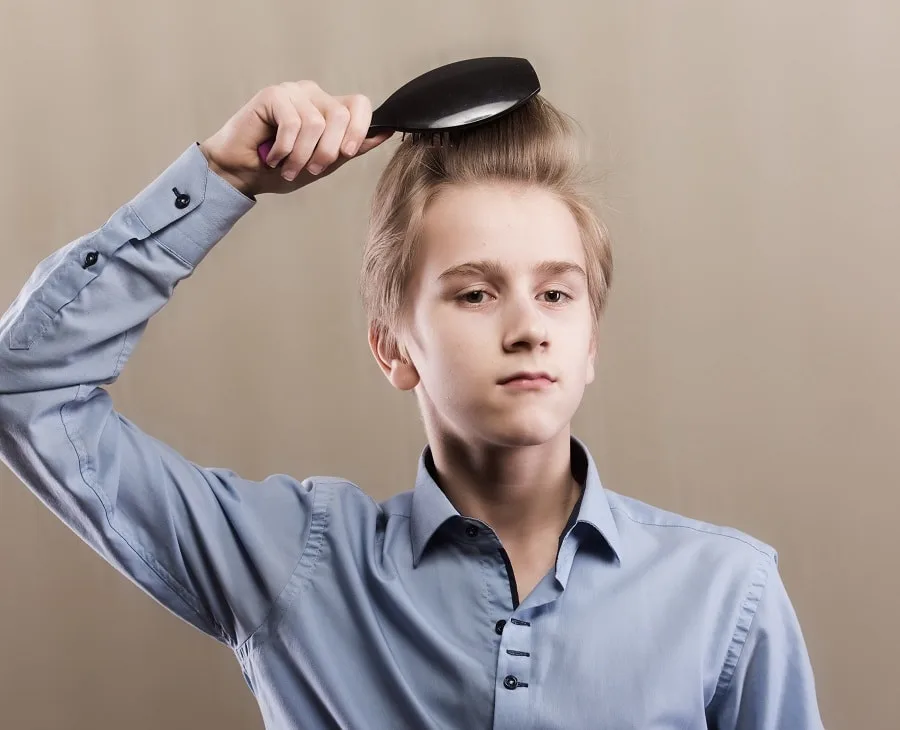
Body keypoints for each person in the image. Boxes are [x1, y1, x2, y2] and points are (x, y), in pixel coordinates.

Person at [0, 79, 823, 729]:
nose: (529, 328)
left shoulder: (727, 593)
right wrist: (219, 180)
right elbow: (27, 387)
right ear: (392, 348)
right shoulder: (292, 565)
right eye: (474, 293)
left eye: (557, 293)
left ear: (592, 343)